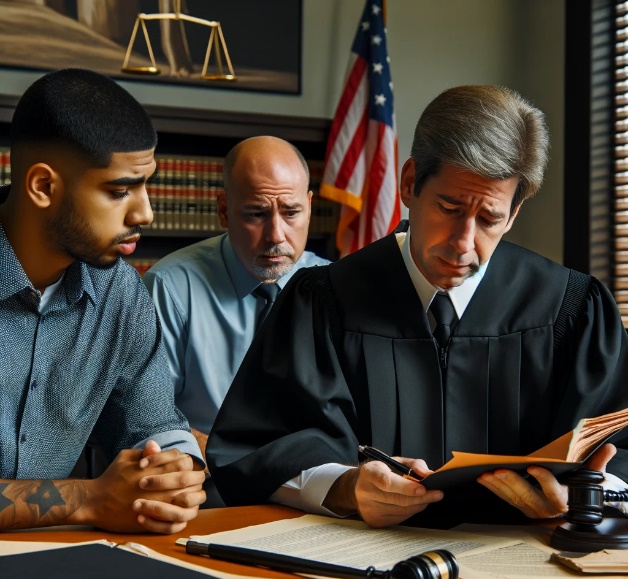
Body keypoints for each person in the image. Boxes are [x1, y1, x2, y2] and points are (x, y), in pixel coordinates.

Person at [206, 85, 628, 529]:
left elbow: (620, 453)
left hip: (524, 565)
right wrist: (346, 487)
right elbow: (253, 448)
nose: (464, 244)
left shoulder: (571, 309)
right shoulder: (324, 300)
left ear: (515, 213)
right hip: (366, 567)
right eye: (449, 207)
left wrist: (583, 496)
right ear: (409, 184)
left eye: (489, 219)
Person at [0, 68, 206, 533]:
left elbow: (153, 424)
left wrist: (175, 474)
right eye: (119, 191)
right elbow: (95, 498)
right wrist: (86, 498)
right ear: (43, 187)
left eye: (146, 184)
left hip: (60, 566)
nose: (145, 212)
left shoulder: (119, 289)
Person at [143, 136, 330, 456]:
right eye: (256, 214)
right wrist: (245, 465)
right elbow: (149, 417)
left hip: (313, 478)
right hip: (210, 480)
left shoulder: (333, 286)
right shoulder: (170, 287)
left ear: (309, 208)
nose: (276, 235)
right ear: (224, 211)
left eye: (291, 213)